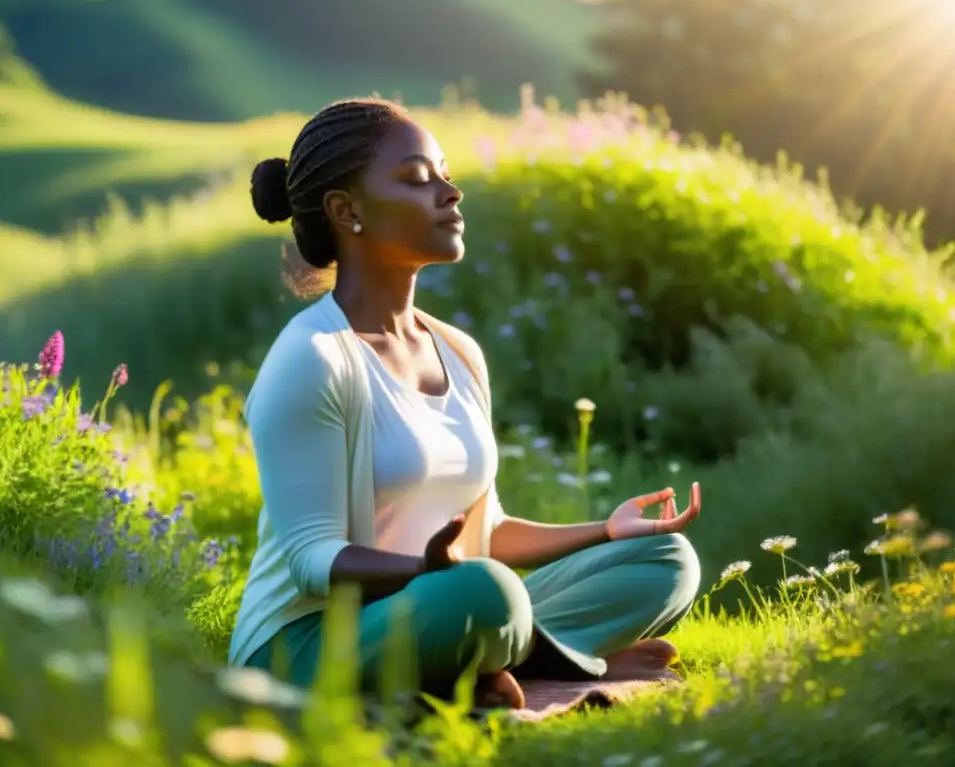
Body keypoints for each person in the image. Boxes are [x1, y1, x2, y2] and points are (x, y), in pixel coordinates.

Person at [228, 97, 703, 710]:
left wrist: (606, 530)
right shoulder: (312, 359)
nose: (450, 193)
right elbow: (313, 561)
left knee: (663, 559)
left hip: (443, 601)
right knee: (485, 594)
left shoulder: (458, 352)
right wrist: (425, 574)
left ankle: (509, 660)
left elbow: (489, 529)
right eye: (417, 179)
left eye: (446, 175)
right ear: (347, 211)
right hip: (310, 645)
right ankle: (549, 658)